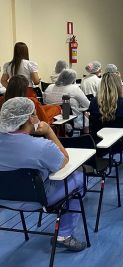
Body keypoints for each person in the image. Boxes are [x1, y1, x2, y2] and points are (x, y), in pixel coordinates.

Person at [0, 97, 87, 251]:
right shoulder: (42, 147)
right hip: (37, 200)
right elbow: (64, 160)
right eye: (35, 114)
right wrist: (49, 131)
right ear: (29, 118)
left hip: (4, 200)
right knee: (78, 177)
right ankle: (64, 235)